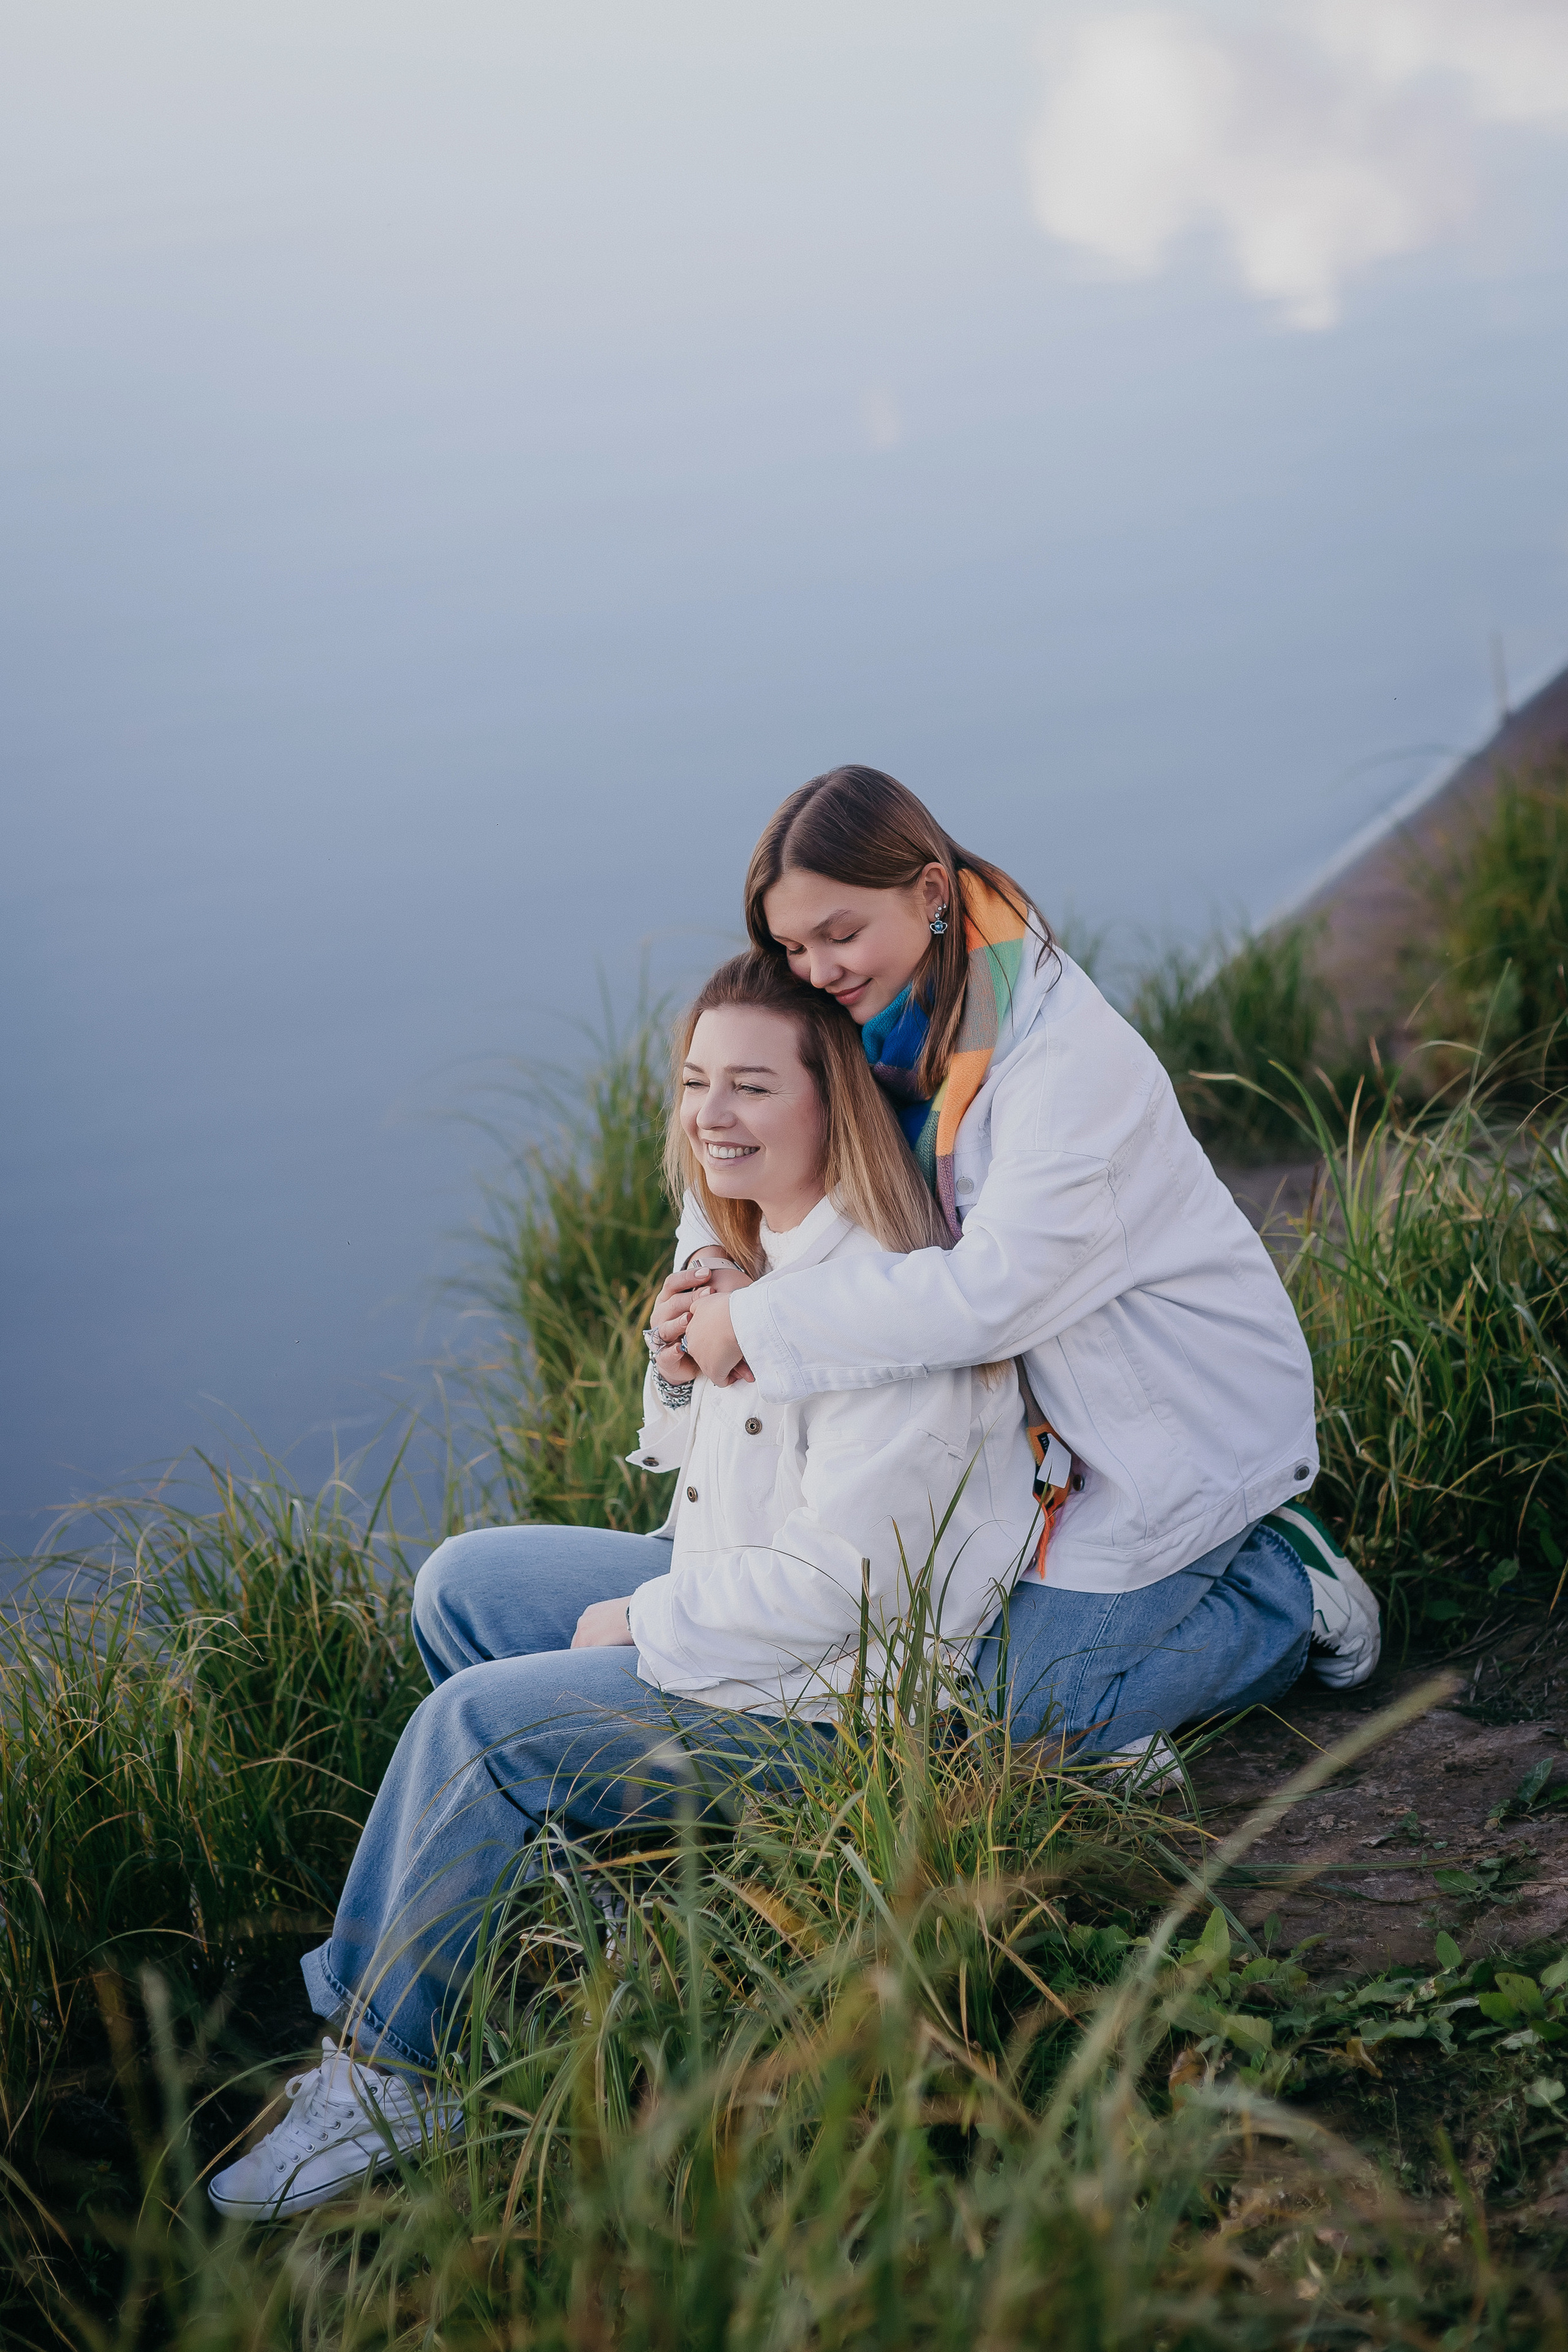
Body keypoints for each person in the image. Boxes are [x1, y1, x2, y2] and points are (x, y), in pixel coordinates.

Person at [209, 951, 1039, 2221]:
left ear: (835, 1103)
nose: (709, 1114)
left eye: (751, 1087)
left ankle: (392, 2068)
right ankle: (586, 1860)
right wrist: (675, 1366)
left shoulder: (881, 1306)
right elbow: (707, 1477)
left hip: (850, 1718)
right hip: (760, 1619)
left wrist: (638, 1624)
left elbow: (853, 1595)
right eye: (697, 1081)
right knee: (464, 1584)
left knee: (479, 1729)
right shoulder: (762, 1252)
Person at [653, 764, 1381, 1758]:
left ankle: (1286, 1588)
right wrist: (714, 1263)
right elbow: (738, 1122)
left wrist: (762, 1323)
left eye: (838, 933)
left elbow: (991, 1296)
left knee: (1023, 1718)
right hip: (1010, 1425)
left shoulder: (1063, 1062)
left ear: (931, 893)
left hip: (1153, 1422)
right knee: (938, 1674)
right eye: (790, 944)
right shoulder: (876, 1002)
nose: (815, 970)